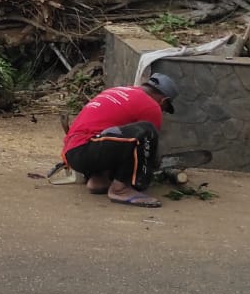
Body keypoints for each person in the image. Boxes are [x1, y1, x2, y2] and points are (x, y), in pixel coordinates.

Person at [60, 73, 179, 208]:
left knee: (120, 136)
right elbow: (150, 147)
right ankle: (121, 189)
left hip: (74, 151)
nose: (162, 112)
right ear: (164, 100)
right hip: (87, 149)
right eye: (164, 109)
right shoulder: (152, 106)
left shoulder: (119, 91)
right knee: (147, 131)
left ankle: (99, 179)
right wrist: (148, 171)